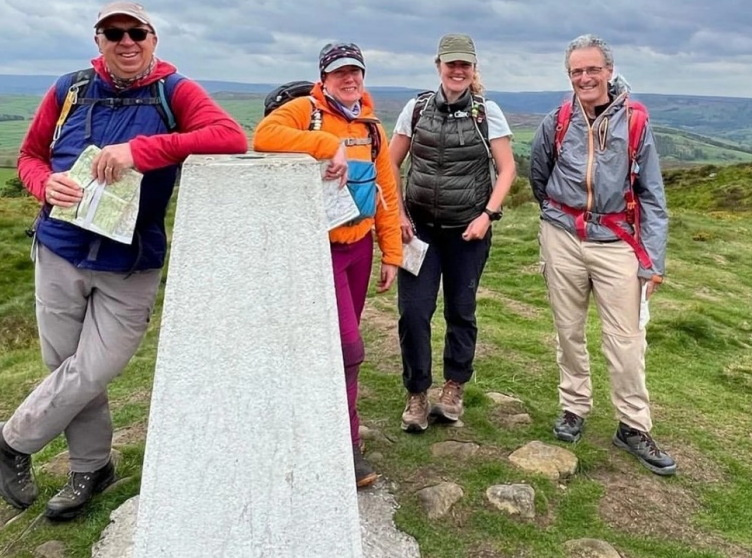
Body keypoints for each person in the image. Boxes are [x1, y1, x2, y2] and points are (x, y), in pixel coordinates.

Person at [0, 0, 248, 519]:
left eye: (136, 33)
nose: (126, 42)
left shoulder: (174, 90)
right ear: (97, 41)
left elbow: (230, 137)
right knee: (66, 369)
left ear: (153, 39)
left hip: (131, 261)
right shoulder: (69, 89)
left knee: (93, 369)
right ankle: (90, 469)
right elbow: (29, 156)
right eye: (113, 33)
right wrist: (41, 185)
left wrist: (140, 152)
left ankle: (10, 442)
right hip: (60, 250)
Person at [252, 42, 403, 487]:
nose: (349, 79)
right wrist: (326, 143)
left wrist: (390, 252)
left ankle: (322, 425)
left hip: (358, 248)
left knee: (335, 350)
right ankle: (347, 445)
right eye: (339, 73)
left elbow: (386, 192)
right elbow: (264, 136)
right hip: (317, 249)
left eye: (355, 71)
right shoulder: (305, 110)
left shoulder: (372, 126)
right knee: (349, 348)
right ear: (324, 77)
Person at [529, 33, 676, 476]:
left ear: (609, 71)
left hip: (616, 242)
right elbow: (539, 175)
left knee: (626, 340)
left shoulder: (634, 121)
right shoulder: (557, 121)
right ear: (569, 75)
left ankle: (633, 426)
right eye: (577, 71)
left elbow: (652, 195)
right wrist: (558, 221)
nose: (585, 77)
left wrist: (652, 261)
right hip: (563, 237)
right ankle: (573, 408)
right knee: (567, 329)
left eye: (593, 69)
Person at [389, 34, 517, 433]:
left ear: (474, 68)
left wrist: (487, 215)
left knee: (461, 311)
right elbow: (389, 164)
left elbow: (507, 168)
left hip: (468, 232)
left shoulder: (486, 112)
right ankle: (417, 392)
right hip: (419, 231)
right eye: (451, 64)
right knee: (413, 312)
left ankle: (454, 388)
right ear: (439, 65)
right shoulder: (416, 108)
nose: (458, 70)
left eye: (465, 64)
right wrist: (400, 215)